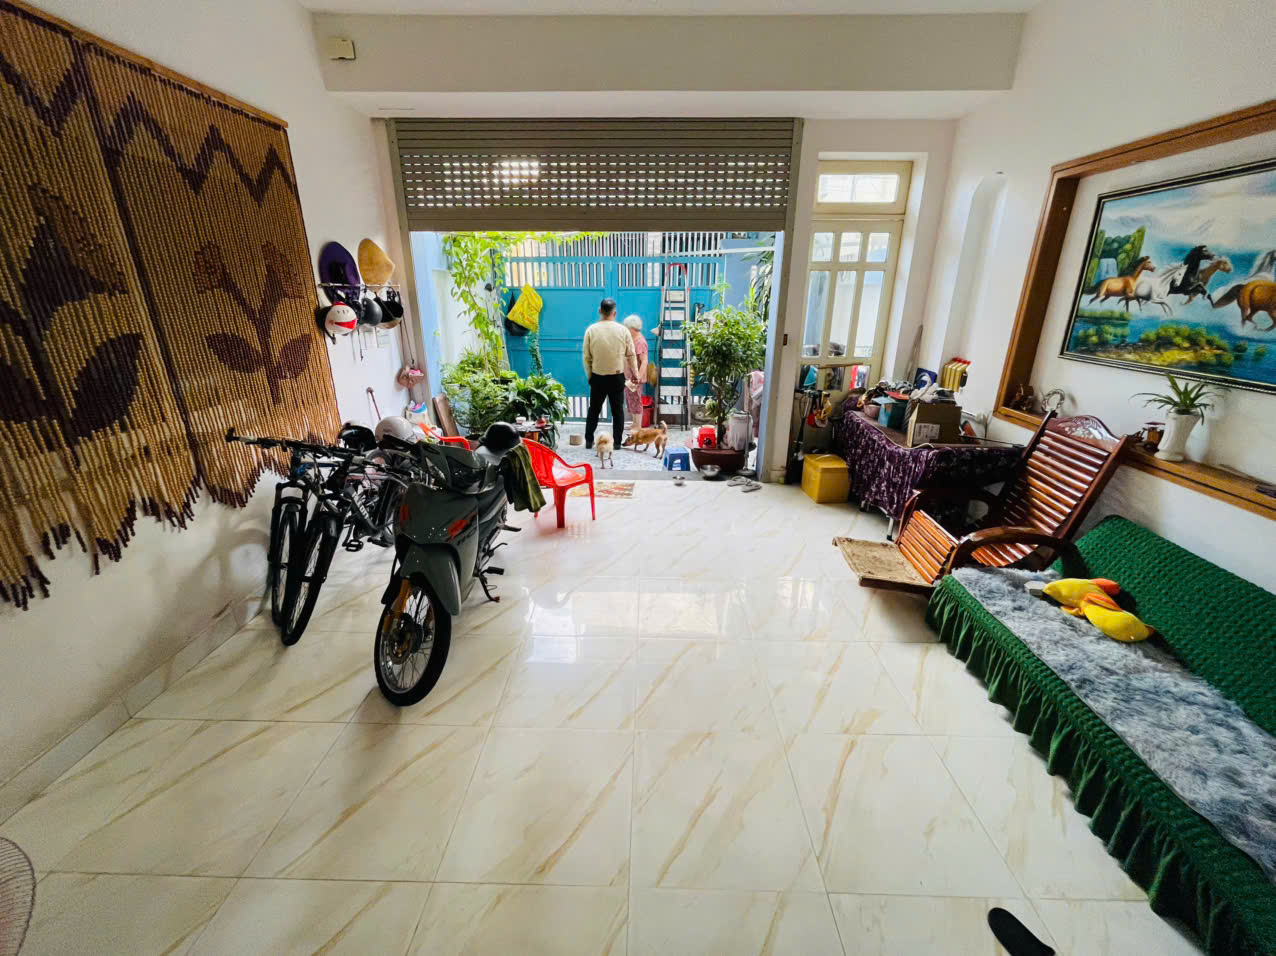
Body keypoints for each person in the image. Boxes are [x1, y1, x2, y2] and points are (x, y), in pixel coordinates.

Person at [582, 298, 637, 448]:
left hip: (597, 377)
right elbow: (631, 355)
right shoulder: (623, 330)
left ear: (600, 311)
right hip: (617, 377)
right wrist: (636, 374)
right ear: (615, 313)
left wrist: (590, 376)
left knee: (594, 410)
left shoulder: (591, 330)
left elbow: (586, 357)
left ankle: (588, 441)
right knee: (618, 411)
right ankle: (617, 443)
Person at [622, 314, 649, 430]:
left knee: (636, 401)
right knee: (631, 400)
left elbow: (644, 361)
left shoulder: (640, 342)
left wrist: (638, 377)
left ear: (631, 328)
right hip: (629, 377)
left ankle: (638, 426)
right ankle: (634, 423)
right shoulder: (632, 340)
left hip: (635, 378)